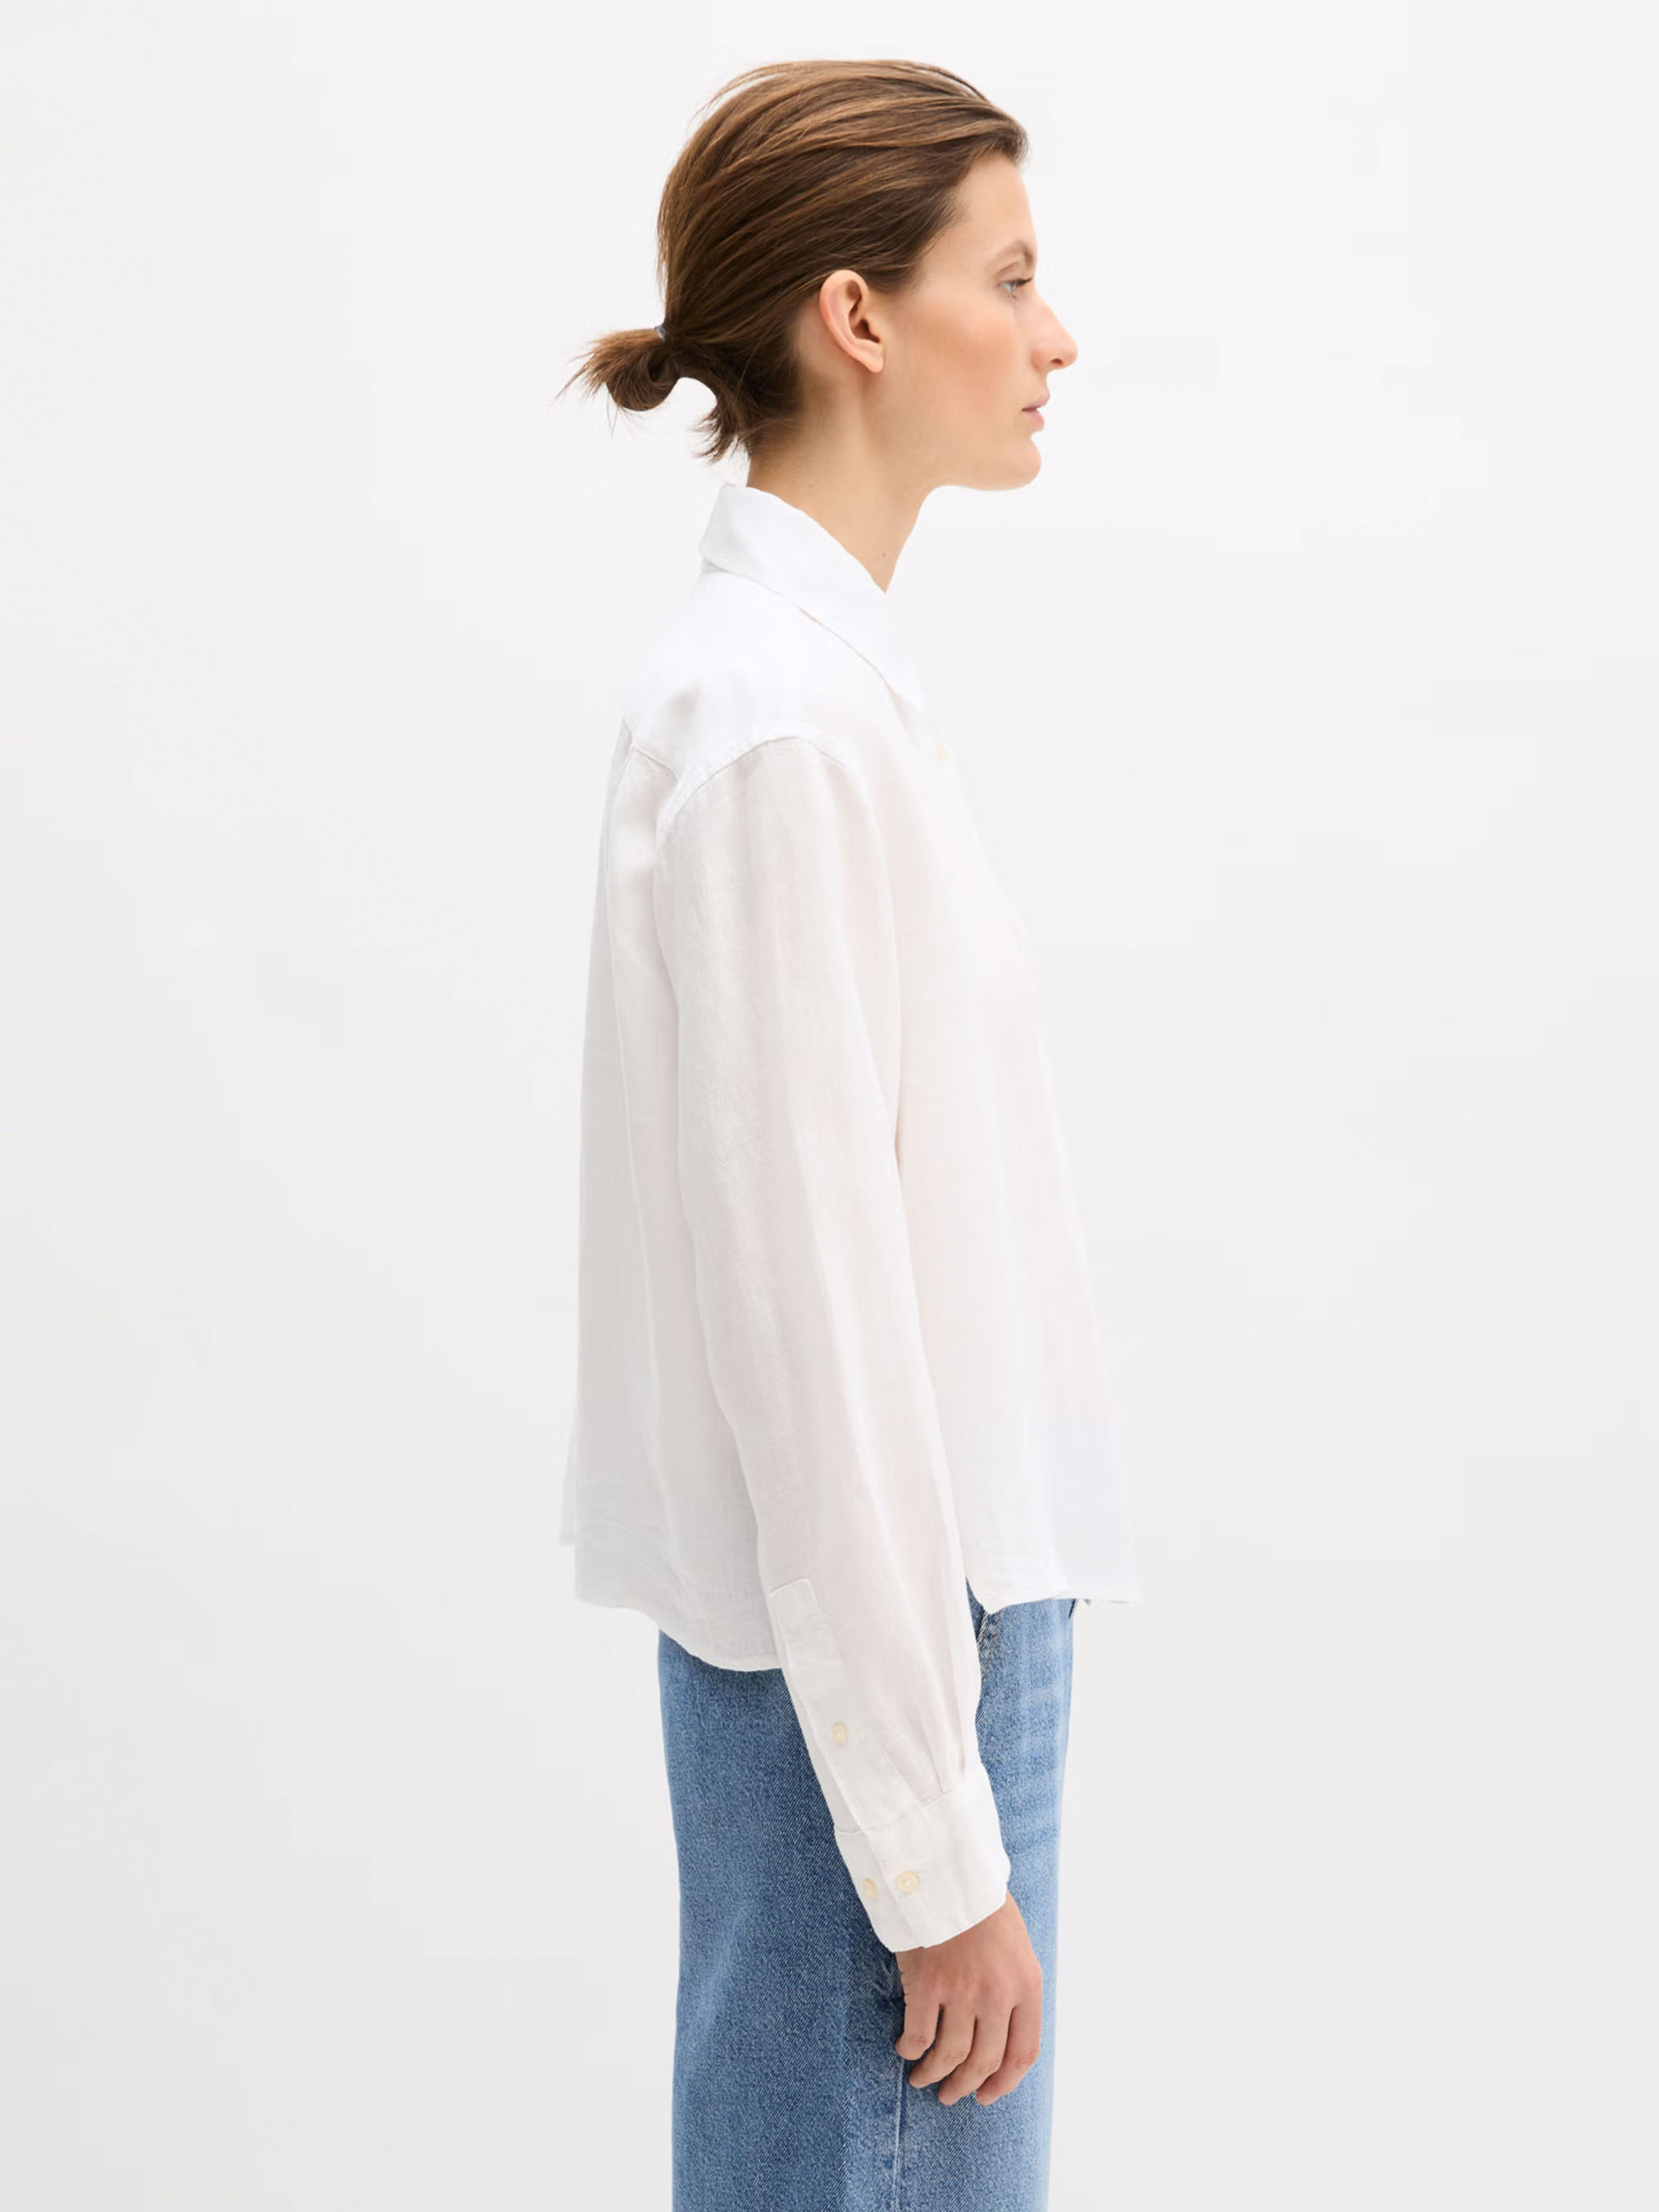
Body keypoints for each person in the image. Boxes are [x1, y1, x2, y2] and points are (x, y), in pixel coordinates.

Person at [556, 57, 1140, 2211]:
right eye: (1013, 275)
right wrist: (925, 1843)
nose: (1058, 335)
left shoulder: (815, 694)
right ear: (858, 315)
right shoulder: (778, 725)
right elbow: (807, 1330)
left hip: (905, 1656)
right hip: (885, 1683)